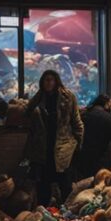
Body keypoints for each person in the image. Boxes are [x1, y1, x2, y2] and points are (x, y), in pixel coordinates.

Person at [25, 70, 83, 206]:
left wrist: (78, 143)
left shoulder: (68, 97)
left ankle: (68, 214)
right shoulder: (38, 98)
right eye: (46, 80)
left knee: (65, 184)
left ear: (56, 81)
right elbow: (28, 116)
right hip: (43, 149)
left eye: (51, 80)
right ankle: (43, 213)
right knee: (43, 185)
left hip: (63, 147)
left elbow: (76, 121)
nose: (49, 83)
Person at [74, 94, 111, 180]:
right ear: (106, 104)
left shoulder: (83, 114)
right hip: (99, 158)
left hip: (81, 156)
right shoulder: (108, 118)